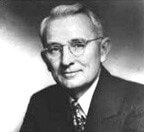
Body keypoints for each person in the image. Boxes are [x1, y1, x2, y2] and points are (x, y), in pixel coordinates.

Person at [20, 3, 144, 132]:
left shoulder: (139, 101)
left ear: (103, 50)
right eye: (55, 49)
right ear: (46, 60)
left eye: (78, 45)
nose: (66, 61)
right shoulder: (40, 103)